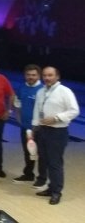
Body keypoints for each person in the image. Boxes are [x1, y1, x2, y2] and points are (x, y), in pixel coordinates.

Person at [31, 66, 80, 205]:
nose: (47, 78)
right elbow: (37, 110)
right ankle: (51, 187)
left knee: (55, 163)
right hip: (42, 131)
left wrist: (57, 118)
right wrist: (34, 127)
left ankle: (56, 192)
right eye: (45, 75)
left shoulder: (65, 91)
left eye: (50, 75)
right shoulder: (41, 91)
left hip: (57, 132)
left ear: (57, 76)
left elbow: (74, 110)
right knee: (45, 161)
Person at [12, 64, 46, 187]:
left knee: (41, 153)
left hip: (40, 128)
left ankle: (42, 178)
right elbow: (17, 104)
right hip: (25, 127)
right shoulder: (21, 87)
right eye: (28, 75)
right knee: (28, 152)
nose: (30, 77)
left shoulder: (43, 89)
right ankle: (28, 174)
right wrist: (19, 119)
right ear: (24, 75)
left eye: (33, 75)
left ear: (38, 76)